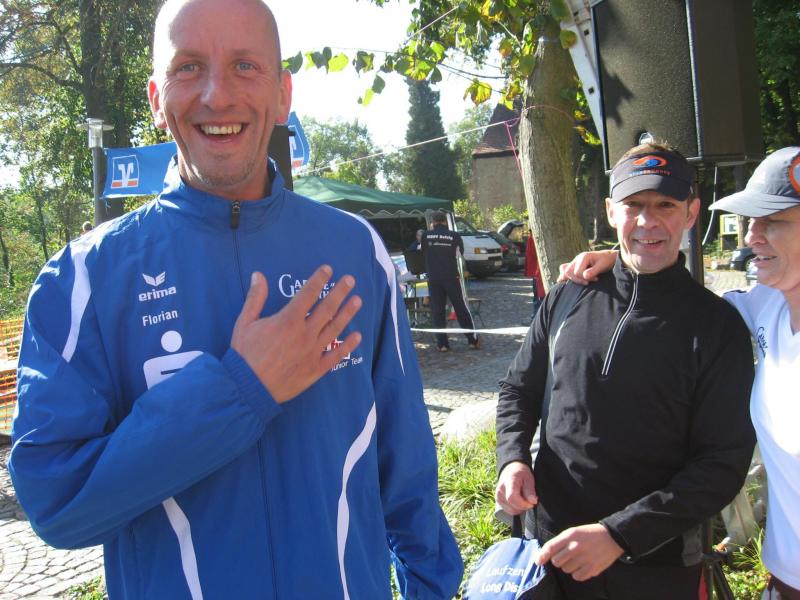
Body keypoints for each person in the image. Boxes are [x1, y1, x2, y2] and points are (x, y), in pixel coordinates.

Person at [8, 1, 463, 598]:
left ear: (282, 94)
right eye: (189, 67)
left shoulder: (355, 251)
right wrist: (242, 390)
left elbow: (406, 468)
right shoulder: (84, 279)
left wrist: (430, 588)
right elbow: (57, 502)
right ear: (156, 99)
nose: (217, 95)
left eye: (245, 66)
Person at [495, 142, 756, 599]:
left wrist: (619, 534)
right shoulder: (568, 296)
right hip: (549, 554)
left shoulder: (717, 326)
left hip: (653, 566)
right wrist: (512, 458)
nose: (647, 221)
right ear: (611, 211)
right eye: (633, 205)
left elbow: (721, 465)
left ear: (692, 213)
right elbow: (519, 389)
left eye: (665, 205)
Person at [561, 146, 800, 600]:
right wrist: (625, 255)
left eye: (773, 221)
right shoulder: (767, 304)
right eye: (752, 220)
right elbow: (675, 297)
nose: (752, 236)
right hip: (783, 580)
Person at [421, 211, 480, 352]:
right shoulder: (454, 235)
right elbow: (459, 254)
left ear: (433, 223)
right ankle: (472, 340)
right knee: (461, 309)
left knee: (438, 312)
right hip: (451, 277)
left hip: (434, 278)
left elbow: (423, 252)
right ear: (445, 222)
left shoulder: (425, 236)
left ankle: (442, 344)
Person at [524, 229, 545, 318]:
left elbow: (529, 256)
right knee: (538, 297)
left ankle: (536, 317)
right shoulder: (533, 239)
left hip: (538, 273)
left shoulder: (532, 239)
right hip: (537, 273)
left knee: (538, 297)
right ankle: (536, 317)